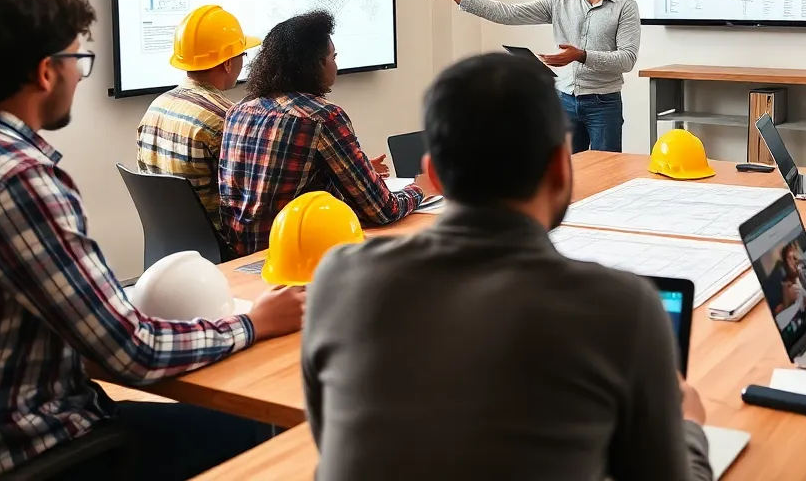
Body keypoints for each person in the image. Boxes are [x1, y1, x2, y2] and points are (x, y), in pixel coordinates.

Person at [302, 53, 712, 480]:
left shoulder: (338, 277)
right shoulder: (621, 309)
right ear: (560, 166)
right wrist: (690, 428)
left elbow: (329, 443)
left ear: (433, 175)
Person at [0, 0, 305, 479]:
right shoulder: (20, 181)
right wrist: (256, 323)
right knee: (268, 433)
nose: (81, 77)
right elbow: (134, 352)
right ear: (45, 73)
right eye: (78, 61)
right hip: (35, 442)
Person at [219, 10, 429, 257]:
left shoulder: (239, 110)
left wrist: (361, 173)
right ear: (317, 63)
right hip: (297, 255)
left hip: (240, 256)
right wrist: (421, 188)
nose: (336, 65)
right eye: (333, 56)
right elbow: (382, 210)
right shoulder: (322, 117)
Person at [409, 0, 641, 153]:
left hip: (603, 104)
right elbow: (508, 13)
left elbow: (627, 59)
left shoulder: (625, 7)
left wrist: (580, 55)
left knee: (607, 176)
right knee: (568, 177)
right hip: (565, 102)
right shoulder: (561, 1)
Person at [137, 4, 259, 239]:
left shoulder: (156, 107)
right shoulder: (226, 118)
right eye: (242, 55)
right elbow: (249, 206)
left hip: (168, 249)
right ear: (227, 63)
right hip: (219, 256)